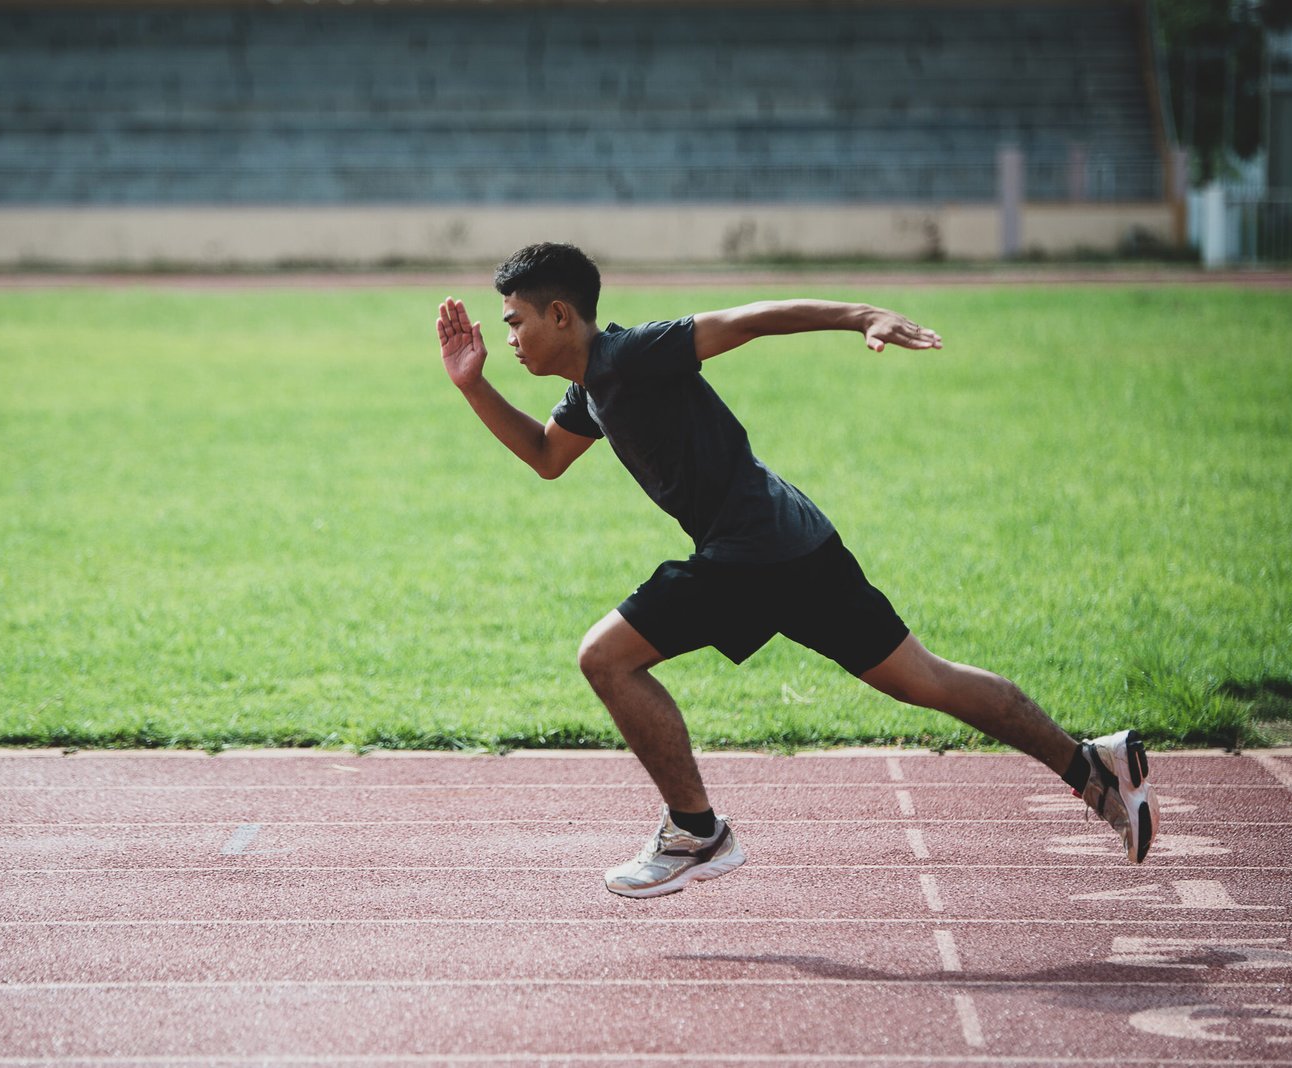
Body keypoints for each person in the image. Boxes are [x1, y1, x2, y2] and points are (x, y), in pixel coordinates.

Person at [435, 242, 1156, 899]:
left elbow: (746, 320)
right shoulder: (592, 389)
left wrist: (861, 314)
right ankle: (1089, 765)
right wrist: (472, 386)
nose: (510, 339)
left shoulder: (633, 356)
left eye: (514, 322)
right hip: (797, 543)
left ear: (560, 315)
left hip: (752, 552)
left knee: (606, 657)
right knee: (923, 679)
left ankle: (696, 830)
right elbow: (545, 455)